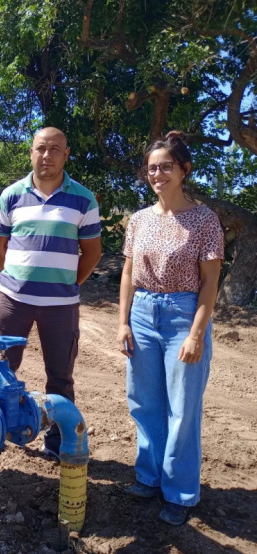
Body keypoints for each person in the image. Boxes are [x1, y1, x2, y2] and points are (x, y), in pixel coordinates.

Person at [116, 130, 224, 526]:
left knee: (183, 407)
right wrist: (122, 321)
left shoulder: (204, 220)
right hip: (142, 312)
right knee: (144, 402)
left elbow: (210, 282)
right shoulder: (140, 219)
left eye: (165, 167)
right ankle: (149, 476)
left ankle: (179, 493)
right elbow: (128, 272)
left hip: (183, 314)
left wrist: (196, 333)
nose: (157, 174)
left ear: (184, 170)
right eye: (151, 168)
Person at [0, 127, 102, 458]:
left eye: (55, 149)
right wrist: (18, 279)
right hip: (12, 302)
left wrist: (67, 284)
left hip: (60, 307)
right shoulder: (11, 195)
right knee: (2, 372)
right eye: (41, 148)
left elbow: (92, 254)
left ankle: (56, 440)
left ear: (66, 155)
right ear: (31, 152)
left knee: (61, 377)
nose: (47, 155)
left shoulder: (84, 198)